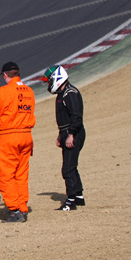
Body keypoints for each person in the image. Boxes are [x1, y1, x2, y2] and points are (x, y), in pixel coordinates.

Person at [0, 61, 35, 223]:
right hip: (26, 135)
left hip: (9, 136)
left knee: (5, 175)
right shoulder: (29, 91)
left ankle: (14, 209)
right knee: (21, 174)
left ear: (5, 75)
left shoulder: (3, 92)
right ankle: (22, 207)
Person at [43, 65, 86, 211]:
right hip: (66, 134)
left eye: (50, 81)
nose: (49, 85)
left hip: (74, 134)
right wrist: (60, 135)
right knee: (72, 166)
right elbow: (64, 119)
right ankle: (79, 196)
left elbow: (76, 117)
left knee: (67, 168)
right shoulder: (61, 94)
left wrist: (71, 135)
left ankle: (71, 201)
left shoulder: (70, 93)